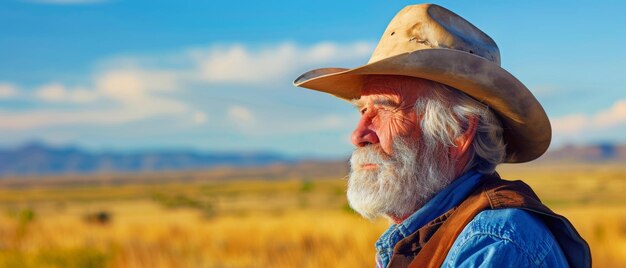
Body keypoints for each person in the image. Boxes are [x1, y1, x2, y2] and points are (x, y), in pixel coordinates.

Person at [293, 4, 591, 268]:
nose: (359, 135)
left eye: (385, 110)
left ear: (457, 133)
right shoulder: (425, 236)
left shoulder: (494, 246)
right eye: (362, 111)